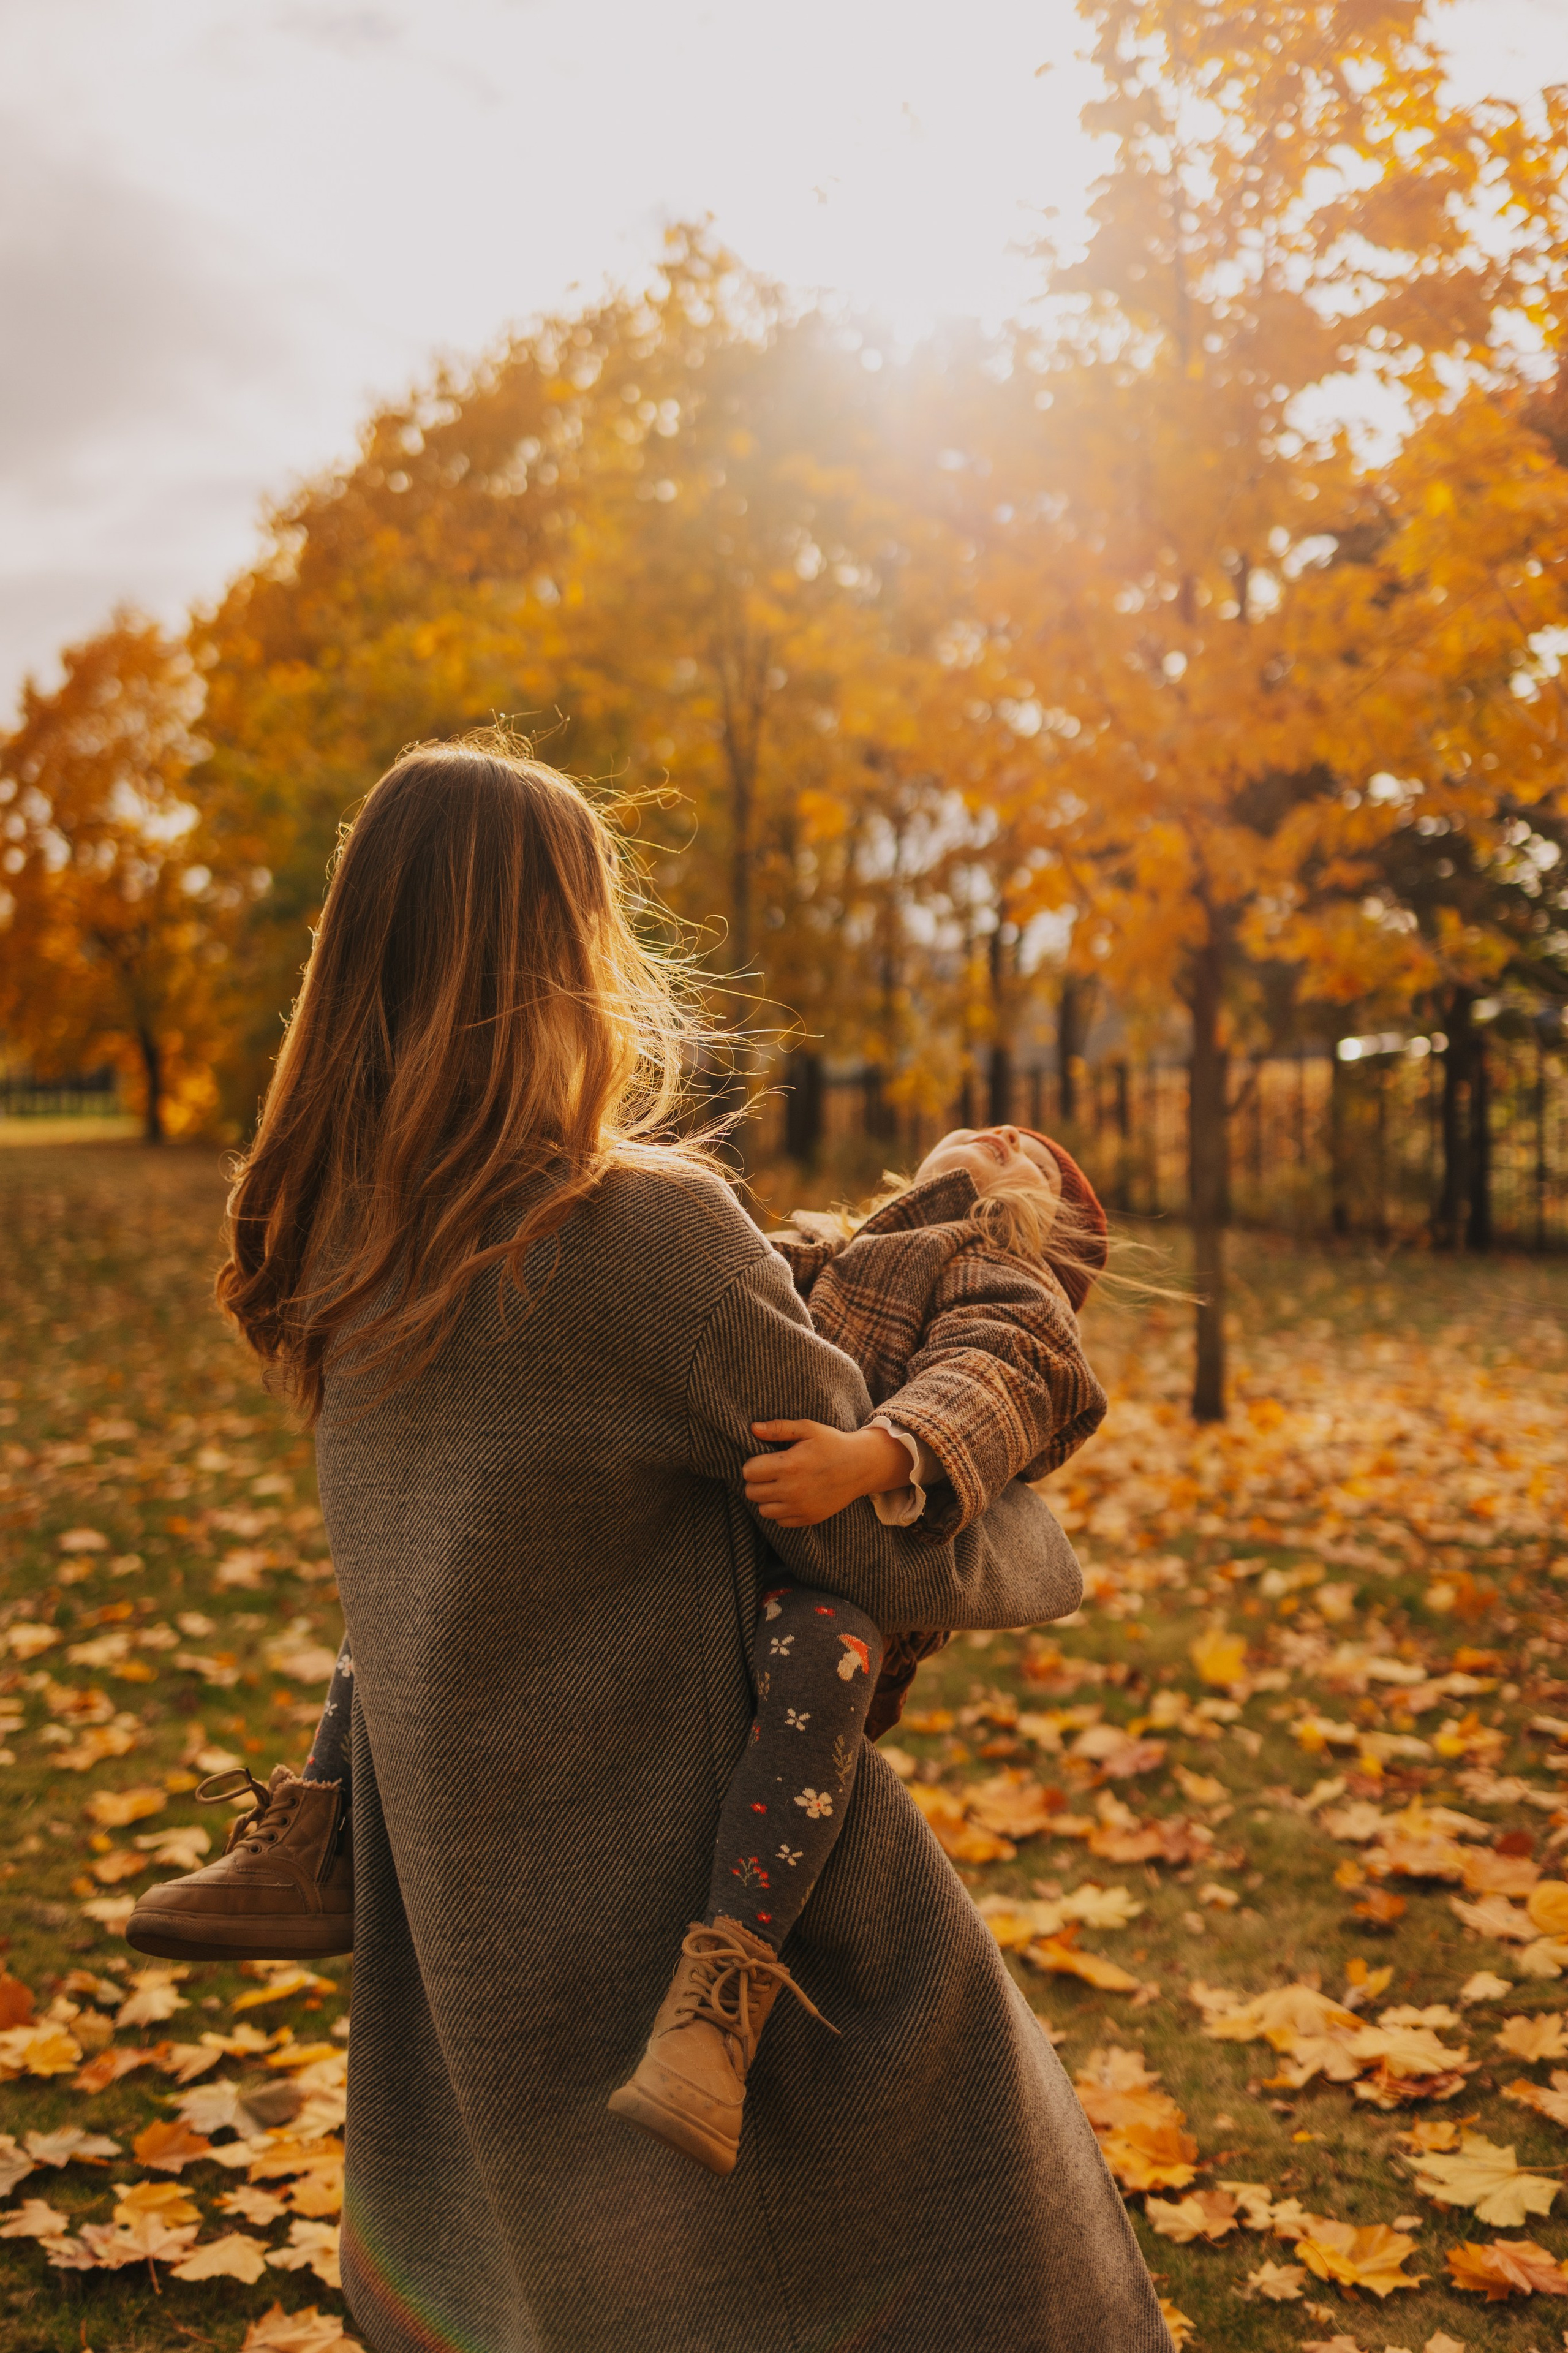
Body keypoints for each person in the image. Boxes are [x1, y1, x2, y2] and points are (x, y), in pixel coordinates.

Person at [134, 737, 1174, 2353]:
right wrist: (1038, 1542)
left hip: (473, 1941)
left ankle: (306, 1838)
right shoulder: (642, 1235)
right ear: (562, 961)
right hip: (701, 1916)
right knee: (989, 2255)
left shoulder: (335, 1244)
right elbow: (870, 1538)